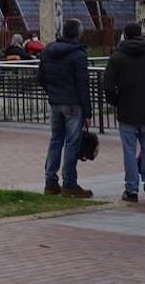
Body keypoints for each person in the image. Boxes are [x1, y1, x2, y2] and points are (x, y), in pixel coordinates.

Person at [37, 19, 94, 198]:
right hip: (73, 104)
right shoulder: (78, 54)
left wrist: (52, 93)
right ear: (78, 33)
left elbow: (41, 78)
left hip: (55, 102)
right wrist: (87, 111)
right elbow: (82, 85)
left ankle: (50, 182)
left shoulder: (48, 51)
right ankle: (69, 183)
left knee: (55, 141)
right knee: (71, 143)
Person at [102, 21, 145, 202]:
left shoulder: (117, 58)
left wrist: (116, 102)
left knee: (129, 151)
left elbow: (108, 86)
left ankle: (131, 189)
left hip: (127, 111)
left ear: (125, 35)